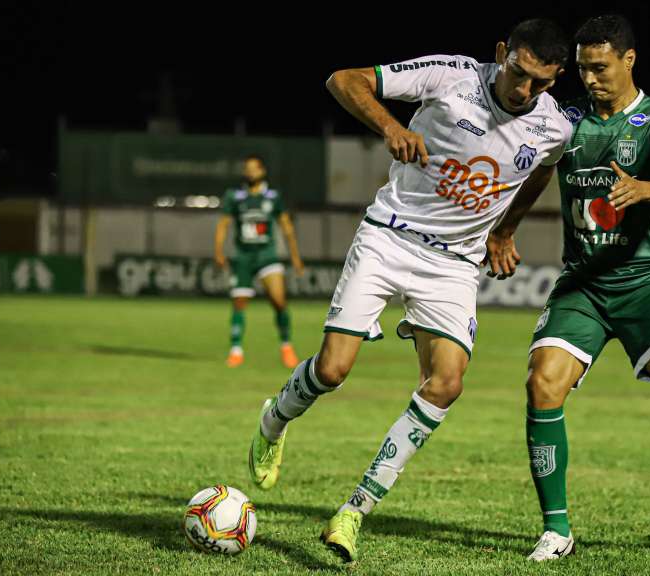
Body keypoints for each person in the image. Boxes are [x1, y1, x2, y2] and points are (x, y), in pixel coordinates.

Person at [245, 19, 574, 563]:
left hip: (454, 265)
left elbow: (544, 169)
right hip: (390, 237)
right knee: (333, 370)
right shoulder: (451, 76)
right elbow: (343, 79)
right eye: (518, 73)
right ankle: (272, 421)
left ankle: (354, 511)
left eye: (540, 82)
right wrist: (390, 126)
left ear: (555, 78)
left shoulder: (553, 127)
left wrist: (505, 230)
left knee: (446, 383)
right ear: (502, 53)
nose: (524, 89)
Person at [486, 14, 650, 561]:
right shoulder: (565, 120)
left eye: (600, 67)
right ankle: (557, 530)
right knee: (542, 384)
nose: (590, 78)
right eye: (583, 69)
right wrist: (504, 228)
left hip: (648, 280)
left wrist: (644, 189)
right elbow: (536, 173)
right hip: (583, 282)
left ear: (629, 60)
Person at [214, 155, 304, 368]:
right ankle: (236, 350)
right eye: (247, 168)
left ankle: (286, 346)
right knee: (239, 303)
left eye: (254, 168)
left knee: (279, 300)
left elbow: (286, 227)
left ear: (262, 171)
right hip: (243, 257)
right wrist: (218, 251)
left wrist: (295, 257)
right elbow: (223, 224)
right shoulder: (235, 196)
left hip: (267, 256)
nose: (250, 172)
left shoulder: (273, 197)